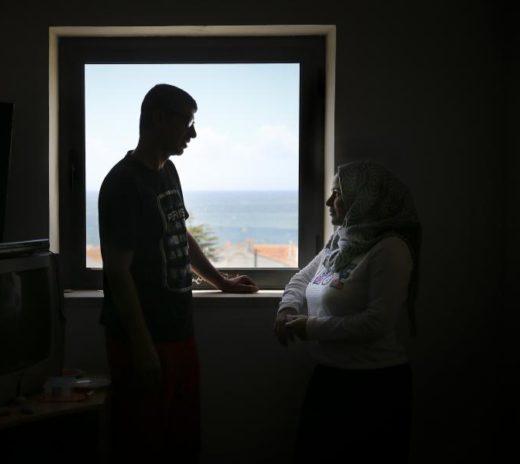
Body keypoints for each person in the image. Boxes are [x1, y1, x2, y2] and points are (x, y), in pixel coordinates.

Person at [98, 83, 258, 463]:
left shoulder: (168, 171)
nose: (193, 133)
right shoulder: (122, 184)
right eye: (187, 122)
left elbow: (178, 232)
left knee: (181, 442)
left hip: (178, 330)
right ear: (158, 119)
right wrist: (142, 347)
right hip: (142, 339)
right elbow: (117, 273)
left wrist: (221, 282)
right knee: (142, 444)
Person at [274, 160, 420, 464]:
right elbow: (302, 278)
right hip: (330, 376)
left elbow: (377, 323)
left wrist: (309, 327)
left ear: (364, 199)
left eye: (337, 194)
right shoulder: (341, 242)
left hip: (375, 387)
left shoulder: (390, 250)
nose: (329, 202)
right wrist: (287, 308)